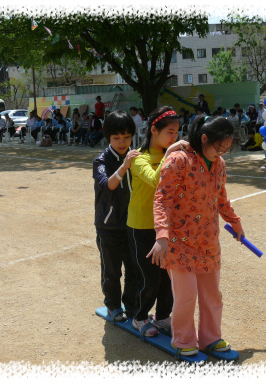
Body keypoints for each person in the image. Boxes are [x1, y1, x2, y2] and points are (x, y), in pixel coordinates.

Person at [149, 115, 244, 356]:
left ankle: (210, 338)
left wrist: (235, 222)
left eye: (226, 148)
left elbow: (221, 198)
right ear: (204, 139)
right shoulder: (179, 160)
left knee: (213, 295)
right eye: (219, 147)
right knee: (186, 297)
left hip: (208, 242)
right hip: (180, 243)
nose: (221, 153)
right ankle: (183, 340)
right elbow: (162, 200)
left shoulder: (219, 164)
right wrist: (161, 235)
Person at [127, 106, 189, 337]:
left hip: (165, 226)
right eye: (170, 132)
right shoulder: (138, 158)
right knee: (149, 277)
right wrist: (171, 151)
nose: (175, 137)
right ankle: (140, 317)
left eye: (176, 132)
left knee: (166, 277)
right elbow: (156, 180)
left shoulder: (170, 157)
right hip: (141, 226)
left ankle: (162, 316)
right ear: (154, 130)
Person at [93, 110, 140, 322]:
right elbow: (107, 185)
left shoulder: (137, 157)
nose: (122, 142)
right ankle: (113, 305)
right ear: (108, 137)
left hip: (133, 224)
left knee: (134, 269)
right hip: (108, 226)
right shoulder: (101, 161)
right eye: (116, 137)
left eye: (127, 137)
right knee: (112, 271)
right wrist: (124, 166)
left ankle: (131, 306)